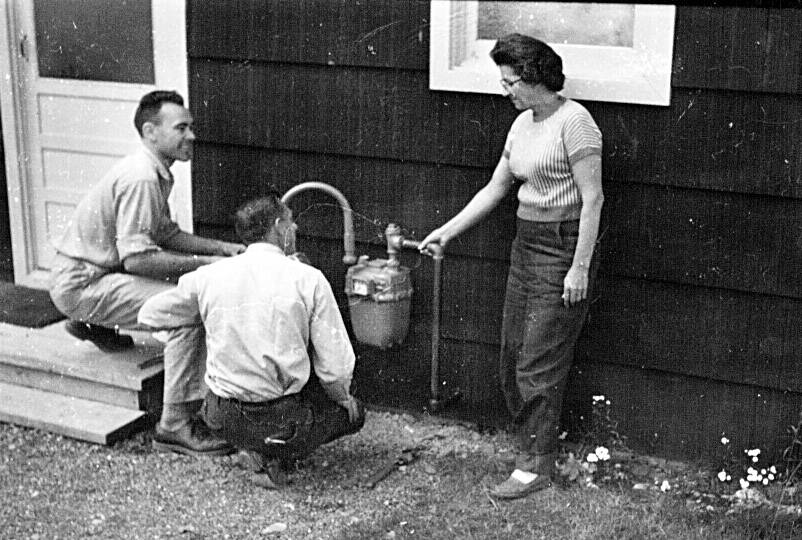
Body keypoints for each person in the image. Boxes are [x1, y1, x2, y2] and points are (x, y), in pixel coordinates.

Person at [419, 34, 604, 499]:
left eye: (510, 81)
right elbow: (494, 188)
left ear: (536, 78)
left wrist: (578, 267)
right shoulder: (522, 124)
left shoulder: (575, 123)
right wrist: (448, 230)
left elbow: (593, 198)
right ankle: (530, 449)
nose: (505, 90)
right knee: (513, 353)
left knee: (538, 361)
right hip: (525, 245)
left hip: (562, 248)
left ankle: (535, 466)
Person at [49, 90, 245, 456]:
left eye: (192, 127)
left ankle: (95, 323)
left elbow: (165, 234)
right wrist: (207, 266)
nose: (192, 136)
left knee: (176, 282)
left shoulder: (153, 170)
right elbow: (137, 260)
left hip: (86, 273)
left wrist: (220, 248)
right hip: (84, 283)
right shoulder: (142, 178)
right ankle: (174, 425)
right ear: (151, 132)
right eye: (182, 128)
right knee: (186, 311)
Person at [138, 194, 365, 488]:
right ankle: (274, 452)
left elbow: (150, 313)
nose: (295, 228)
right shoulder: (308, 278)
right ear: (279, 227)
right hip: (280, 418)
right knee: (354, 414)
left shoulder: (209, 276)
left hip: (221, 417)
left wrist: (201, 319)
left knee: (262, 411)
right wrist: (343, 400)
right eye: (291, 221)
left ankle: (252, 446)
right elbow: (335, 367)